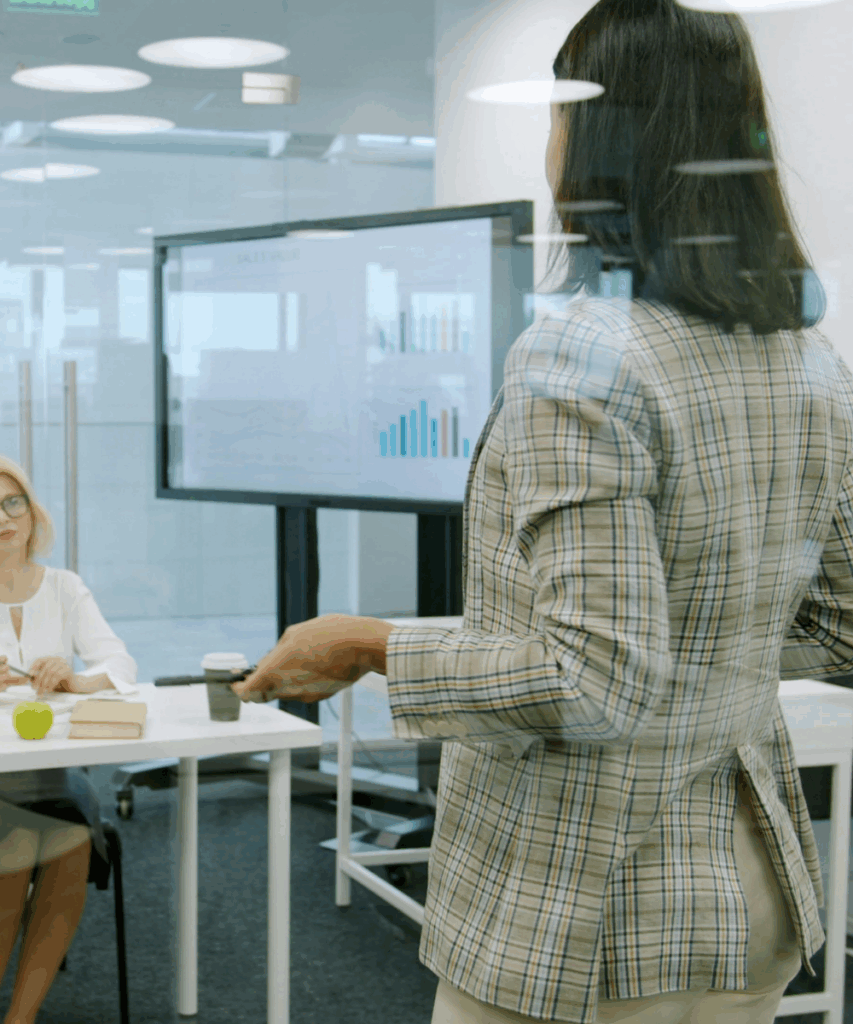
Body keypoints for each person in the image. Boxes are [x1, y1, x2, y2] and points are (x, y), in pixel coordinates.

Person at [233, 0, 845, 1021]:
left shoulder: (582, 353)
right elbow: (841, 622)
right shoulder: (808, 360)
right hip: (744, 896)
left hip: (587, 909)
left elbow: (594, 678)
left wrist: (374, 641)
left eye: (558, 111)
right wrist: (696, 652)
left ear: (600, 138)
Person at [0, 456, 137, 1024]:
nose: (4, 517)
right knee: (14, 849)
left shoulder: (63, 587)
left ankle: (21, 1018)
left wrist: (75, 679)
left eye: (13, 502)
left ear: (32, 513)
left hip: (49, 770)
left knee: (71, 839)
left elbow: (120, 663)